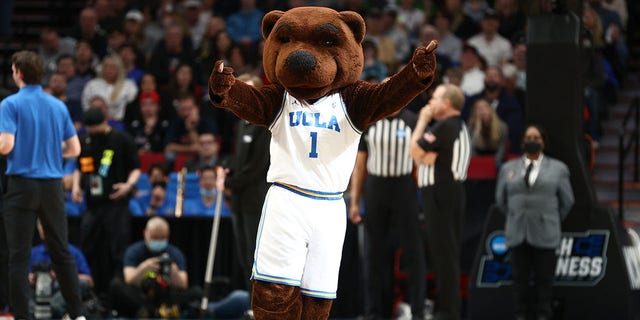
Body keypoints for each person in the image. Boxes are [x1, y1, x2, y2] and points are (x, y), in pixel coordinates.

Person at [0, 50, 86, 320]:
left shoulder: (10, 104)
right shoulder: (58, 105)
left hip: (23, 186)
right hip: (52, 186)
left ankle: (22, 317)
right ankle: (78, 314)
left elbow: (6, 146)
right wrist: (49, 149)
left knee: (18, 257)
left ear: (19, 73)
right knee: (61, 251)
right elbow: (75, 148)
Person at [349, 106, 426, 320]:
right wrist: (355, 201)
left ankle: (418, 311)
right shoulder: (370, 120)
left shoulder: (413, 119)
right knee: (374, 254)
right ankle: (374, 312)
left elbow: (422, 160)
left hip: (404, 187)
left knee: (413, 252)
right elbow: (360, 163)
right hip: (376, 188)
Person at [495, 124, 574, 320]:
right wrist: (515, 216)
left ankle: (543, 316)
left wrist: (550, 219)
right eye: (528, 137)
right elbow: (500, 200)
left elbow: (567, 201)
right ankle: (520, 316)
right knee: (519, 281)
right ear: (522, 141)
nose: (532, 141)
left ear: (543, 142)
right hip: (517, 232)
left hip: (546, 233)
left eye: (536, 138)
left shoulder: (558, 169)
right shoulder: (508, 168)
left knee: (544, 281)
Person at [409, 83, 471, 320]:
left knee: (444, 255)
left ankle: (447, 312)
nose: (430, 103)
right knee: (445, 254)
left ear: (447, 103)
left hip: (441, 193)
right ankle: (447, 310)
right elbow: (421, 157)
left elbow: (413, 152)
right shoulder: (453, 126)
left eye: (434, 98)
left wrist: (423, 120)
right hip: (447, 192)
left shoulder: (445, 126)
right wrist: (426, 156)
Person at [71, 108, 141, 295]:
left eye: (96, 129)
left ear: (105, 122)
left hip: (115, 202)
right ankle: (90, 291)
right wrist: (76, 186)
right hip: (92, 204)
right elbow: (79, 167)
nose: (93, 133)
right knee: (88, 245)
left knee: (118, 248)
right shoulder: (84, 140)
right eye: (90, 130)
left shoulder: (121, 139)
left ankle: (118, 290)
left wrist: (128, 185)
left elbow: (135, 168)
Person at [223, 73, 271, 291]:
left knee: (255, 253)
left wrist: (231, 182)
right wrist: (227, 171)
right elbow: (239, 160)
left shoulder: (264, 125)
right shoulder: (241, 124)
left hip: (255, 198)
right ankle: (249, 303)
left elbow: (258, 166)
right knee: (243, 256)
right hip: (239, 200)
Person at [108, 217, 193, 318]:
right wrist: (143, 268)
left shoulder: (175, 253)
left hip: (165, 293)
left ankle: (161, 309)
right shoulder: (134, 251)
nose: (158, 240)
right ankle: (150, 310)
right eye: (154, 237)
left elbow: (183, 284)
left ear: (168, 234)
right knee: (116, 285)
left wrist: (173, 271)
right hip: (141, 295)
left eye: (162, 237)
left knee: (195, 292)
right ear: (145, 233)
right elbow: (129, 279)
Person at [29, 220, 94, 318]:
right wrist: (30, 278)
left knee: (80, 283)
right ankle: (33, 311)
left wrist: (62, 276)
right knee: (18, 283)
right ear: (38, 229)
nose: (45, 229)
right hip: (37, 292)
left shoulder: (72, 252)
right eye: (42, 226)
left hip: (61, 291)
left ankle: (50, 308)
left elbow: (89, 282)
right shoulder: (33, 253)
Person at [468, 98, 508, 168]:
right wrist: (477, 130)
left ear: (491, 110)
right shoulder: (470, 128)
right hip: (476, 163)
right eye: (478, 108)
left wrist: (490, 165)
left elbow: (501, 152)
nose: (482, 111)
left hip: (495, 163)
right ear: (474, 112)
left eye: (485, 107)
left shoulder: (502, 127)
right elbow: (470, 154)